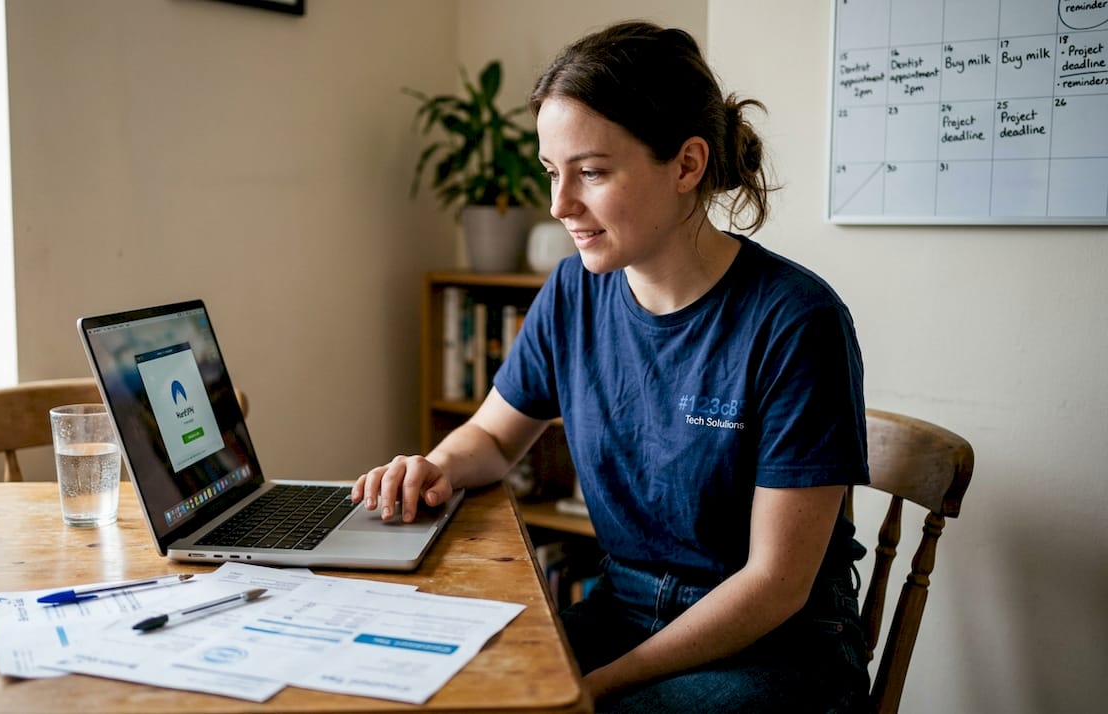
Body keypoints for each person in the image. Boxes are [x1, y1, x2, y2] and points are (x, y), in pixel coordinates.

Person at [354, 20, 871, 713]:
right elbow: (495, 438)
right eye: (551, 172)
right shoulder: (574, 292)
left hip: (773, 642)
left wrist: (594, 687)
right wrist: (437, 467)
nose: (559, 205)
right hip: (622, 607)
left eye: (591, 173)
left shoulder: (795, 322)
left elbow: (775, 586)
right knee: (458, 691)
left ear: (687, 165)